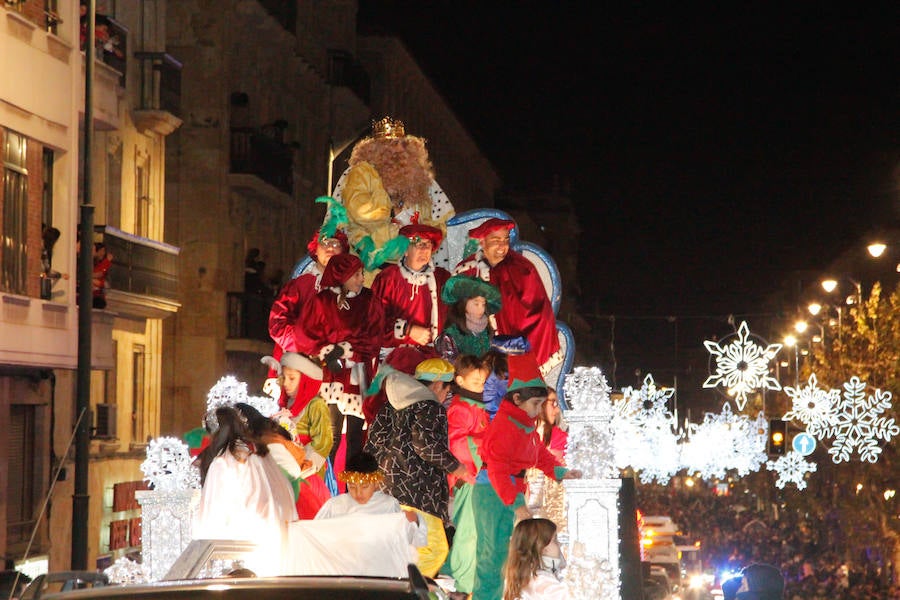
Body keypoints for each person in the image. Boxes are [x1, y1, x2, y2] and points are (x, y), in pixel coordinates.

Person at [472, 353, 580, 600]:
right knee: (492, 556)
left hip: (507, 490)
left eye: (541, 404)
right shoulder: (505, 424)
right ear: (517, 398)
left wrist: (561, 473)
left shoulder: (524, 422)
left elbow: (539, 454)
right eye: (535, 404)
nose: (538, 410)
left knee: (500, 555)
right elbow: (498, 470)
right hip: (493, 491)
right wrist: (518, 505)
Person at [295, 253, 383, 476]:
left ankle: (353, 487)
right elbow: (305, 334)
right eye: (356, 275)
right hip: (331, 377)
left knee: (356, 436)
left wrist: (346, 350)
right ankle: (329, 487)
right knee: (331, 433)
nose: (362, 279)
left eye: (361, 274)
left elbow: (374, 336)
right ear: (341, 276)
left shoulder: (368, 300)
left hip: (356, 375)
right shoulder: (322, 300)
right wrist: (325, 352)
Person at [331, 117, 455, 272]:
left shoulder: (420, 180)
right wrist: (391, 210)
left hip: (411, 269)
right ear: (375, 150)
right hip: (369, 269)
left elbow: (441, 219)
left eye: (401, 145)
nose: (397, 151)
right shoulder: (360, 173)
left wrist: (423, 235)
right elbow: (359, 210)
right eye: (389, 145)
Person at [193, 406, 297, 575]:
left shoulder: (223, 462)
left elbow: (213, 514)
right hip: (278, 538)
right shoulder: (260, 452)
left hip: (246, 547)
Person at [365, 359, 468, 525]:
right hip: (419, 492)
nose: (444, 397)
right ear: (437, 385)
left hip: (385, 490)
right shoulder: (431, 407)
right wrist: (456, 467)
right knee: (427, 546)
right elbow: (425, 445)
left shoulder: (389, 406)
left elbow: (372, 444)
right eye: (446, 391)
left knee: (396, 544)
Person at [454, 218, 561, 377]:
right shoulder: (466, 272)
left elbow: (538, 314)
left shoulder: (522, 269)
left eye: (505, 240)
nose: (502, 246)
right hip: (474, 358)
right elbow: (454, 314)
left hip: (513, 354)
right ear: (482, 243)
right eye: (496, 240)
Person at [266, 212, 349, 401]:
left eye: (335, 244)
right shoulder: (299, 285)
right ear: (315, 250)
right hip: (299, 366)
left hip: (336, 370)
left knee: (332, 426)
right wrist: (303, 344)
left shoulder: (352, 289)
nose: (329, 248)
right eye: (324, 242)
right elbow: (277, 323)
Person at [371, 224, 451, 375]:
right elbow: (374, 322)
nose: (424, 249)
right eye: (417, 244)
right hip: (395, 359)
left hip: (433, 359)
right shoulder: (387, 278)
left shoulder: (442, 278)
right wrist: (408, 330)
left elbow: (453, 317)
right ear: (405, 250)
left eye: (427, 245)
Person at [442, 354, 491, 595]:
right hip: (469, 476)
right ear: (459, 381)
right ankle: (464, 584)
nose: (480, 386)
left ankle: (456, 570)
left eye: (482, 381)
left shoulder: (479, 406)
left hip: (480, 476)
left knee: (475, 529)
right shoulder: (460, 407)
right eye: (475, 382)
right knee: (468, 531)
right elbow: (456, 442)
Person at [235, 402, 330, 520]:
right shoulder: (265, 437)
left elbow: (292, 473)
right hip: (301, 488)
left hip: (303, 493)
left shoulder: (269, 441)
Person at [503, 518, 568, 600]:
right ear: (542, 548)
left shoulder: (521, 578)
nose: (559, 544)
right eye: (555, 540)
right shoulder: (543, 583)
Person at [438, 275, 502, 359]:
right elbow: (449, 364)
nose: (481, 309)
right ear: (463, 304)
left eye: (483, 304)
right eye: (476, 304)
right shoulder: (451, 334)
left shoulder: (486, 330)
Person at [92, 242, 113, 309]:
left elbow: (100, 274)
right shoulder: (93, 262)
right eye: (101, 251)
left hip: (98, 294)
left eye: (104, 251)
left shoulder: (103, 263)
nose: (103, 253)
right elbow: (98, 274)